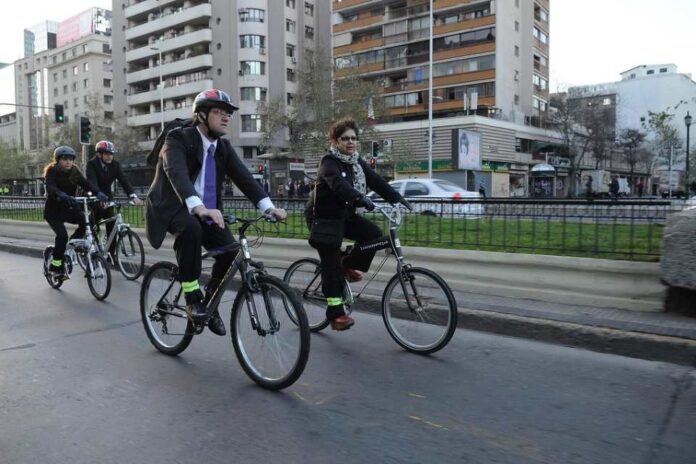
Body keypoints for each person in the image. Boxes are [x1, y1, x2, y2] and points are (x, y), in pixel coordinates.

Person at [144, 89, 286, 336]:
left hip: (207, 211)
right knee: (191, 227)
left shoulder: (222, 147)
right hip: (173, 206)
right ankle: (191, 296)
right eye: (219, 112)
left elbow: (245, 179)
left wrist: (268, 207)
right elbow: (175, 173)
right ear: (201, 115)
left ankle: (210, 300)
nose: (226, 118)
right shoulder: (177, 139)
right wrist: (197, 206)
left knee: (232, 253)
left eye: (228, 113)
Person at [306, 117, 409, 331]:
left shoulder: (357, 162)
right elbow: (338, 185)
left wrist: (397, 199)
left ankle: (348, 263)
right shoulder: (329, 162)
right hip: (324, 219)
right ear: (335, 141)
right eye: (345, 138)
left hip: (345, 215)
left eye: (354, 138)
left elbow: (377, 181)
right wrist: (359, 198)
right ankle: (335, 313)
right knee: (331, 263)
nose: (350, 142)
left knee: (374, 235)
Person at [43, 146, 107, 279]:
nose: (68, 162)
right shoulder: (52, 171)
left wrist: (98, 193)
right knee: (62, 236)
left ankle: (74, 241)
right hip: (54, 211)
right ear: (58, 160)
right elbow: (51, 187)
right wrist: (60, 194)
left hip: (69, 208)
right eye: (64, 159)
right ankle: (56, 267)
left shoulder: (74, 171)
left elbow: (86, 184)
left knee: (88, 221)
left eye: (70, 159)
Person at [86, 140, 143, 257]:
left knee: (112, 226)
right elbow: (92, 183)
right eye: (106, 154)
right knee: (93, 225)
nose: (109, 157)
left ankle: (112, 255)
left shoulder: (115, 165)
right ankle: (91, 251)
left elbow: (124, 180)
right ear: (99, 154)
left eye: (111, 154)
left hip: (107, 196)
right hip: (94, 196)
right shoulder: (91, 164)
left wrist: (133, 196)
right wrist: (99, 198)